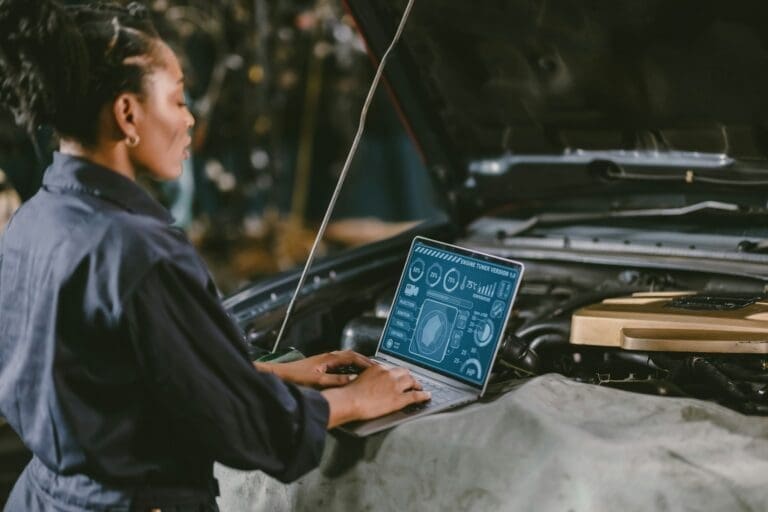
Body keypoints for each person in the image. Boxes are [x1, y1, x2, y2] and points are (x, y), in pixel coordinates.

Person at [0, 1, 430, 510]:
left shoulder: (34, 221)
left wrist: (277, 373)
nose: (190, 119)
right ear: (127, 114)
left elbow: (122, 385)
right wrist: (358, 398)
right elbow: (251, 431)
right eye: (179, 100)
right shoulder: (135, 252)